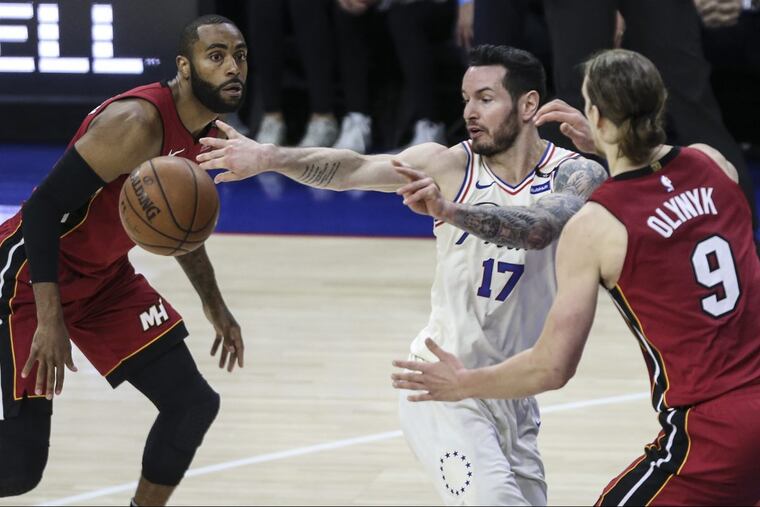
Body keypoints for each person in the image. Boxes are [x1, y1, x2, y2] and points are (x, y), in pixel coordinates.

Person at [197, 44, 608, 505]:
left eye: (486, 99)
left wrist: (450, 212)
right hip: (441, 384)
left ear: (528, 104)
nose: (470, 112)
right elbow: (354, 169)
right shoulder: (448, 164)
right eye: (466, 99)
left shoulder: (575, 173)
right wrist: (271, 157)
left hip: (513, 390)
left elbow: (539, 228)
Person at [391, 49, 760, 505]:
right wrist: (611, 144)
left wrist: (461, 383)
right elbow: (665, 181)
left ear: (597, 118)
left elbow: (553, 366)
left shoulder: (599, 224)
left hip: (715, 428)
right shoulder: (714, 164)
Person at [0, 15, 246, 506]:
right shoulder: (136, 123)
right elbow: (43, 210)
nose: (232, 67)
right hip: (28, 279)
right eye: (216, 56)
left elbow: (181, 229)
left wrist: (215, 306)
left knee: (192, 404)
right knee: (20, 468)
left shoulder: (209, 135)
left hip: (103, 280)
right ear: (185, 66)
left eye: (239, 56)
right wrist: (50, 319)